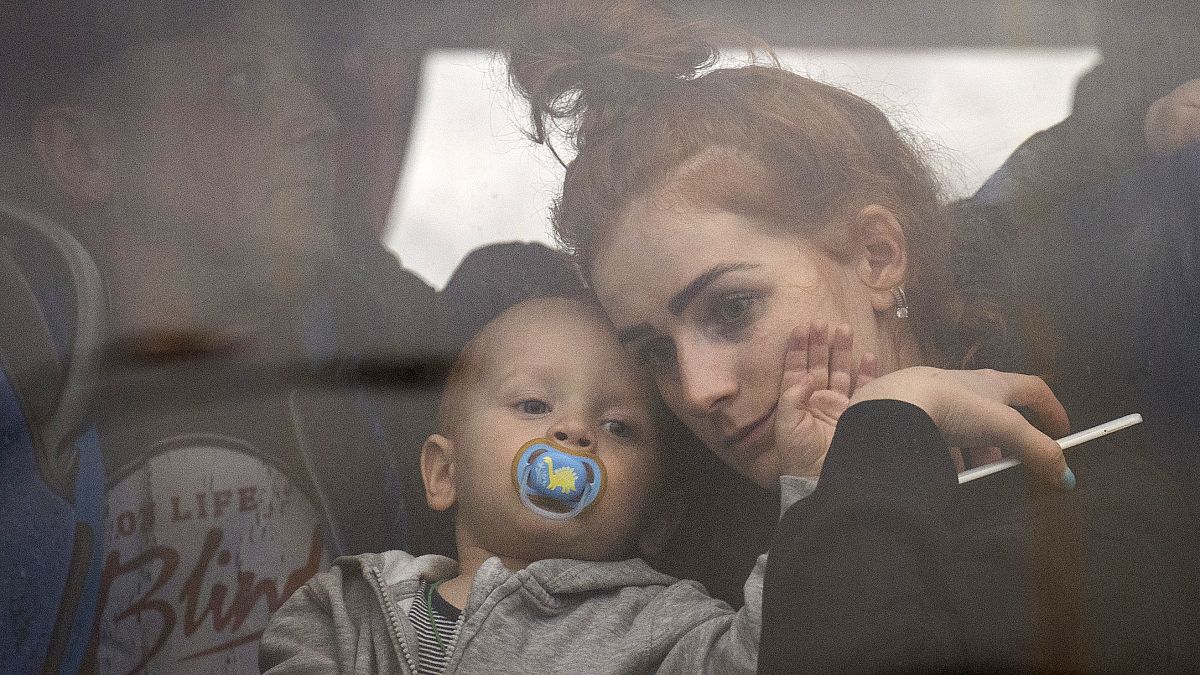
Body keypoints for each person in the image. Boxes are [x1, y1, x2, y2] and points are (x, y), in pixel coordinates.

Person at [503, 0, 1199, 670]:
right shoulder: (666, 589)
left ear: (878, 256)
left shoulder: (1093, 506)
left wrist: (888, 429)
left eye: (733, 307)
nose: (699, 388)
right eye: (655, 352)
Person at [0, 1, 445, 670]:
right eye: (243, 83)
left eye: (306, 79)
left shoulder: (395, 353)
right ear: (85, 152)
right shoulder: (20, 380)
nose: (320, 118)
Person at [259, 294, 814, 673]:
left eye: (617, 426)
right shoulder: (345, 610)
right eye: (533, 404)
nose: (573, 431)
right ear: (444, 473)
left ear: (655, 511)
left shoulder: (664, 628)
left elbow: (771, 655)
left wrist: (811, 485)